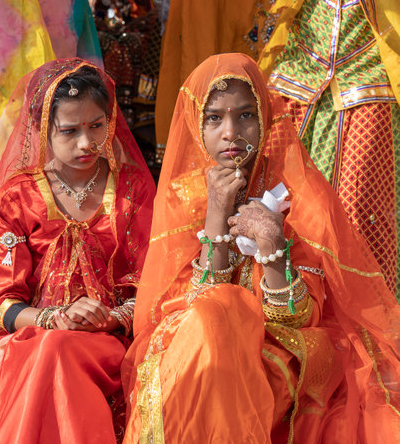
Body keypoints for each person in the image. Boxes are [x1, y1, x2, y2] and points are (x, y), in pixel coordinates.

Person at [121, 53, 399, 443]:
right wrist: (216, 215)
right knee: (209, 320)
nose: (231, 131)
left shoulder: (296, 193)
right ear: (195, 123)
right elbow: (182, 308)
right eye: (215, 117)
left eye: (246, 116)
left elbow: (300, 319)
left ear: (266, 120)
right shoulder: (181, 198)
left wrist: (273, 246)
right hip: (197, 351)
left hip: (274, 352)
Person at [0, 58, 155, 443]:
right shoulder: (19, 197)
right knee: (54, 348)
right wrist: (56, 319)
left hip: (115, 342)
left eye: (96, 126)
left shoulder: (133, 190)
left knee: (58, 351)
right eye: (69, 130)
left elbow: (151, 282)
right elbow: (4, 304)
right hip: (38, 339)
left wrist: (109, 318)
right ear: (43, 128)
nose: (86, 142)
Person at [258, 0, 400, 295]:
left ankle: (364, 317)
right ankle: (286, 302)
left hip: (368, 79)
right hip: (299, 74)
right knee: (276, 199)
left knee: (358, 213)